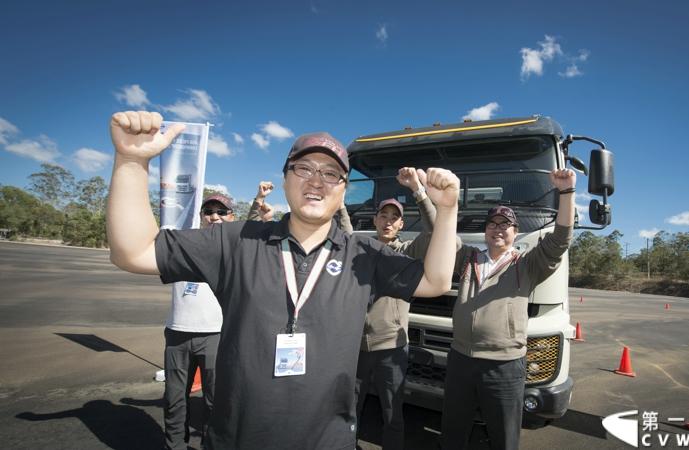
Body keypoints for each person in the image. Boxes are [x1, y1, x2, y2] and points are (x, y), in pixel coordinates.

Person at [106, 111, 459, 450]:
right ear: (286, 178)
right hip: (238, 439)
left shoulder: (363, 254)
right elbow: (134, 252)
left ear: (343, 190)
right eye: (304, 168)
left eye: (331, 173)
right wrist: (131, 162)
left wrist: (446, 211)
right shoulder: (236, 240)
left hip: (329, 442)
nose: (317, 181)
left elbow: (436, 280)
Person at [439, 169, 576, 450]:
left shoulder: (526, 265)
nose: (498, 228)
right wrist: (428, 196)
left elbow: (560, 238)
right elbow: (439, 231)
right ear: (485, 231)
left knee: (504, 436)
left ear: (515, 232)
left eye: (506, 224)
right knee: (453, 430)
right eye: (493, 223)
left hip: (504, 366)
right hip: (460, 360)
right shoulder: (467, 257)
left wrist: (566, 193)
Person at [342, 167, 436, 450]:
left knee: (392, 414)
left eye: (394, 218)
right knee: (350, 411)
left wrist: (419, 191)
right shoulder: (361, 248)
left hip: (392, 347)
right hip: (357, 347)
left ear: (400, 225)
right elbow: (343, 228)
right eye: (384, 215)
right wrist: (339, 198)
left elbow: (434, 229)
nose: (388, 221)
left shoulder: (408, 252)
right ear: (375, 219)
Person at [164, 193, 232, 450]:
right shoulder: (184, 243)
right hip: (177, 334)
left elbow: (253, 237)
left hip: (215, 336)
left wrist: (260, 205)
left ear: (231, 217)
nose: (214, 216)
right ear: (201, 216)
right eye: (208, 211)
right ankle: (175, 446)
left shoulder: (233, 250)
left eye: (221, 212)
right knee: (174, 399)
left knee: (214, 401)